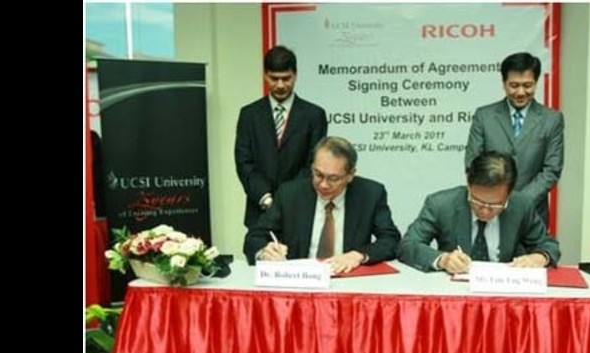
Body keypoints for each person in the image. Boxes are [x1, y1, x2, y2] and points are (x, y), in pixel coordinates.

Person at [246, 136, 401, 274]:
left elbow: (391, 240)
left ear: (351, 175)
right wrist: (264, 252)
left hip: (349, 282)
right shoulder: (290, 194)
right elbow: (255, 237)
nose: (324, 185)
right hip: (300, 282)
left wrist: (358, 255)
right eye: (318, 174)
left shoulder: (370, 194)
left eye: (333, 178)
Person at [398, 151, 560, 274]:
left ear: (509, 194)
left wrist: (539, 257)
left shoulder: (520, 205)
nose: (485, 210)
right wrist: (443, 260)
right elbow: (407, 245)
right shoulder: (441, 204)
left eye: (495, 204)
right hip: (455, 294)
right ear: (468, 183)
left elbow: (548, 244)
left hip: (505, 293)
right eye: (477, 201)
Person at [235, 45, 328, 239]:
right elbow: (244, 162)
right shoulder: (249, 115)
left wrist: (286, 199)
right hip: (259, 213)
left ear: (296, 75)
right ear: (265, 75)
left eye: (286, 78)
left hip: (300, 210)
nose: (279, 85)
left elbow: (314, 164)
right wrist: (266, 198)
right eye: (273, 78)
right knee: (260, 265)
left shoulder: (314, 115)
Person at [465, 51, 564, 227]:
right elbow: (472, 163)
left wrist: (519, 202)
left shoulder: (552, 119)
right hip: (489, 211)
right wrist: (496, 199)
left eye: (527, 85)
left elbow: (552, 170)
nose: (520, 92)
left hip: (533, 213)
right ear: (503, 84)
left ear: (536, 83)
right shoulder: (484, 116)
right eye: (514, 85)